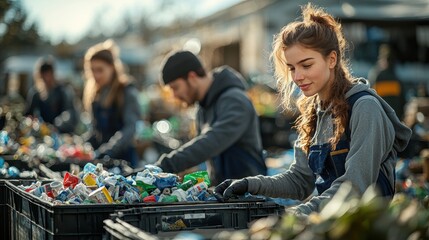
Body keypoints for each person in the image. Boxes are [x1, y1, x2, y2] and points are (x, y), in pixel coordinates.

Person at [214, 3, 412, 217]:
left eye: (306, 65)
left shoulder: (365, 108)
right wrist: (249, 184)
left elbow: (355, 187)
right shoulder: (314, 112)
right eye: (292, 68)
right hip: (329, 227)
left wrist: (297, 214)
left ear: (332, 59)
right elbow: (300, 181)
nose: (297, 76)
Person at [154, 50, 267, 185]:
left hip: (250, 195)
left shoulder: (234, 99)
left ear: (192, 77)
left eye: (175, 87)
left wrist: (165, 166)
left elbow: (212, 141)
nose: (174, 96)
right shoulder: (203, 108)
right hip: (225, 194)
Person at [82, 40, 141, 167]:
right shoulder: (95, 94)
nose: (96, 75)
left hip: (124, 162)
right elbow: (95, 131)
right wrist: (81, 145)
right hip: (101, 162)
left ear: (112, 68)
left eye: (100, 70)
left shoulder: (126, 91)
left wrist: (108, 150)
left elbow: (130, 129)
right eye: (92, 70)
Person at [25, 56, 78, 134]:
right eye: (44, 75)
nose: (47, 78)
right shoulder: (35, 93)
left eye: (48, 74)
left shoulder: (62, 91)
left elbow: (70, 113)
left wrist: (59, 124)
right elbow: (28, 114)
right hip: (43, 132)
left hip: (61, 131)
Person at [368, 44, 406, 120]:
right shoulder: (397, 79)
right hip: (395, 120)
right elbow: (402, 103)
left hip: (380, 120)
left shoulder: (375, 76)